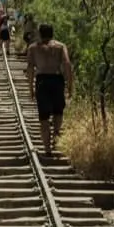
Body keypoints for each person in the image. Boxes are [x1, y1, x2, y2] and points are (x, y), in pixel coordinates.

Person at [24, 23, 73, 157]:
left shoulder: (33, 48)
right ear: (52, 33)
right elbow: (67, 64)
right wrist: (70, 85)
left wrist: (31, 88)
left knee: (44, 117)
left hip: (42, 82)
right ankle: (56, 135)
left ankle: (47, 149)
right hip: (57, 80)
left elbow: (30, 68)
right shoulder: (60, 46)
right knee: (58, 111)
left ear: (40, 34)